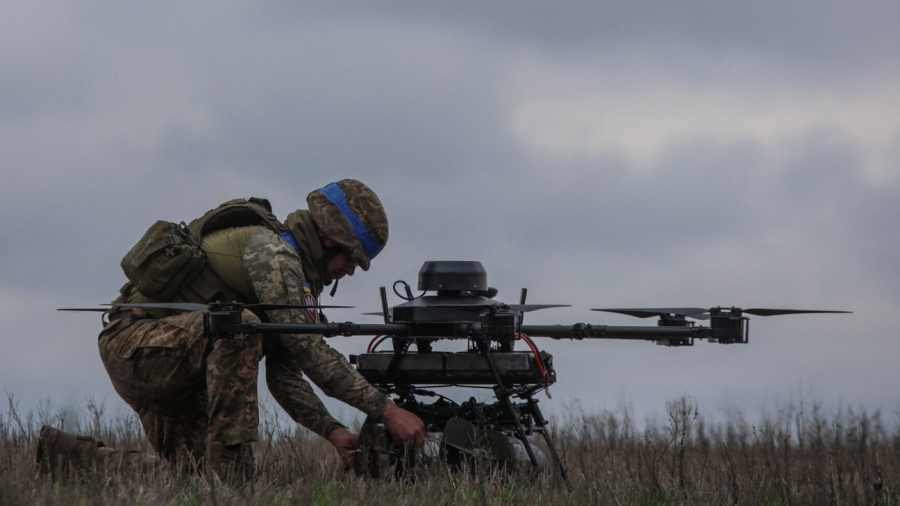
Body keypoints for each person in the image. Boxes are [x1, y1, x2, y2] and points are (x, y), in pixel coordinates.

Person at [36, 179, 425, 483]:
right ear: (327, 237)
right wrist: (387, 411)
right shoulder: (273, 256)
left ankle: (64, 456)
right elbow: (309, 351)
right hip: (136, 346)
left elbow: (286, 375)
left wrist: (334, 431)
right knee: (240, 327)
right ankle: (237, 476)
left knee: (191, 482)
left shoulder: (297, 275)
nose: (351, 271)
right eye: (351, 258)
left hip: (173, 360)